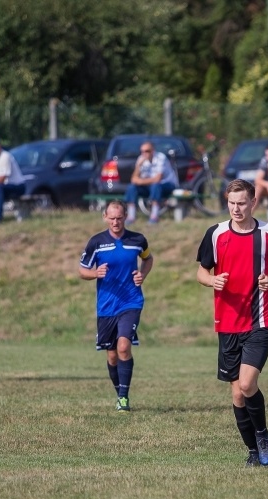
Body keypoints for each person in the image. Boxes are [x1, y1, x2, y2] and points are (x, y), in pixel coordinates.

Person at [196, 179, 268, 467]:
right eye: (231, 203)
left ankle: (262, 434)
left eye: (241, 203)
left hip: (261, 317)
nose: (236, 209)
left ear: (253, 203)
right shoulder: (215, 234)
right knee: (238, 393)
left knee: (248, 383)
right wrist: (212, 280)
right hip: (227, 321)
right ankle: (253, 451)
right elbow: (201, 272)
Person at [79, 200, 154, 412]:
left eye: (119, 218)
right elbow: (82, 270)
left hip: (131, 301)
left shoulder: (137, 240)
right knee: (112, 355)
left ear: (126, 216)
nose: (115, 222)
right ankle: (119, 391)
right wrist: (95, 273)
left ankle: (123, 397)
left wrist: (143, 274)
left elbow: (148, 259)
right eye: (111, 218)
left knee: (123, 347)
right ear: (105, 217)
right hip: (106, 307)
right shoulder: (96, 242)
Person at [124, 141, 178, 225]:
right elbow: (133, 179)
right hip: (149, 185)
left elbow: (157, 179)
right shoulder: (140, 159)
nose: (144, 153)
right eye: (142, 151)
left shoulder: (161, 158)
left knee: (155, 186)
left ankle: (154, 216)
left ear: (153, 150)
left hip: (167, 184)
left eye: (147, 151)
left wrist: (141, 181)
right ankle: (131, 216)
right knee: (132, 187)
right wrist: (138, 166)